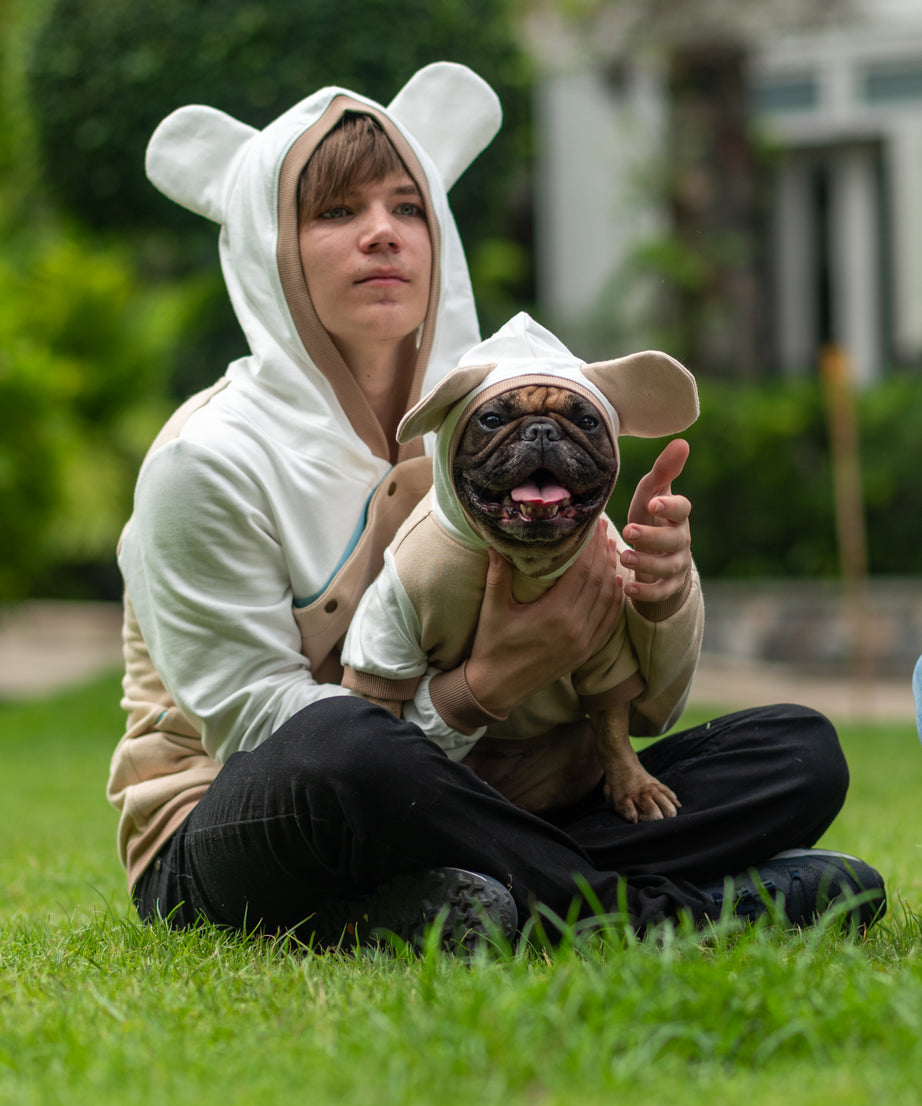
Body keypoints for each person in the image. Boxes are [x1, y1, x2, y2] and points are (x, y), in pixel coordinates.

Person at [108, 62, 885, 952]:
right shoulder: (206, 463)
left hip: (499, 792)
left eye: (408, 207)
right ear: (263, 242)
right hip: (243, 823)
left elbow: (641, 710)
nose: (382, 234)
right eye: (334, 212)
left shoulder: (500, 413)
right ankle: (652, 916)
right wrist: (484, 687)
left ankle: (460, 898)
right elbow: (259, 734)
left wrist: (660, 593)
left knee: (797, 750)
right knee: (343, 747)